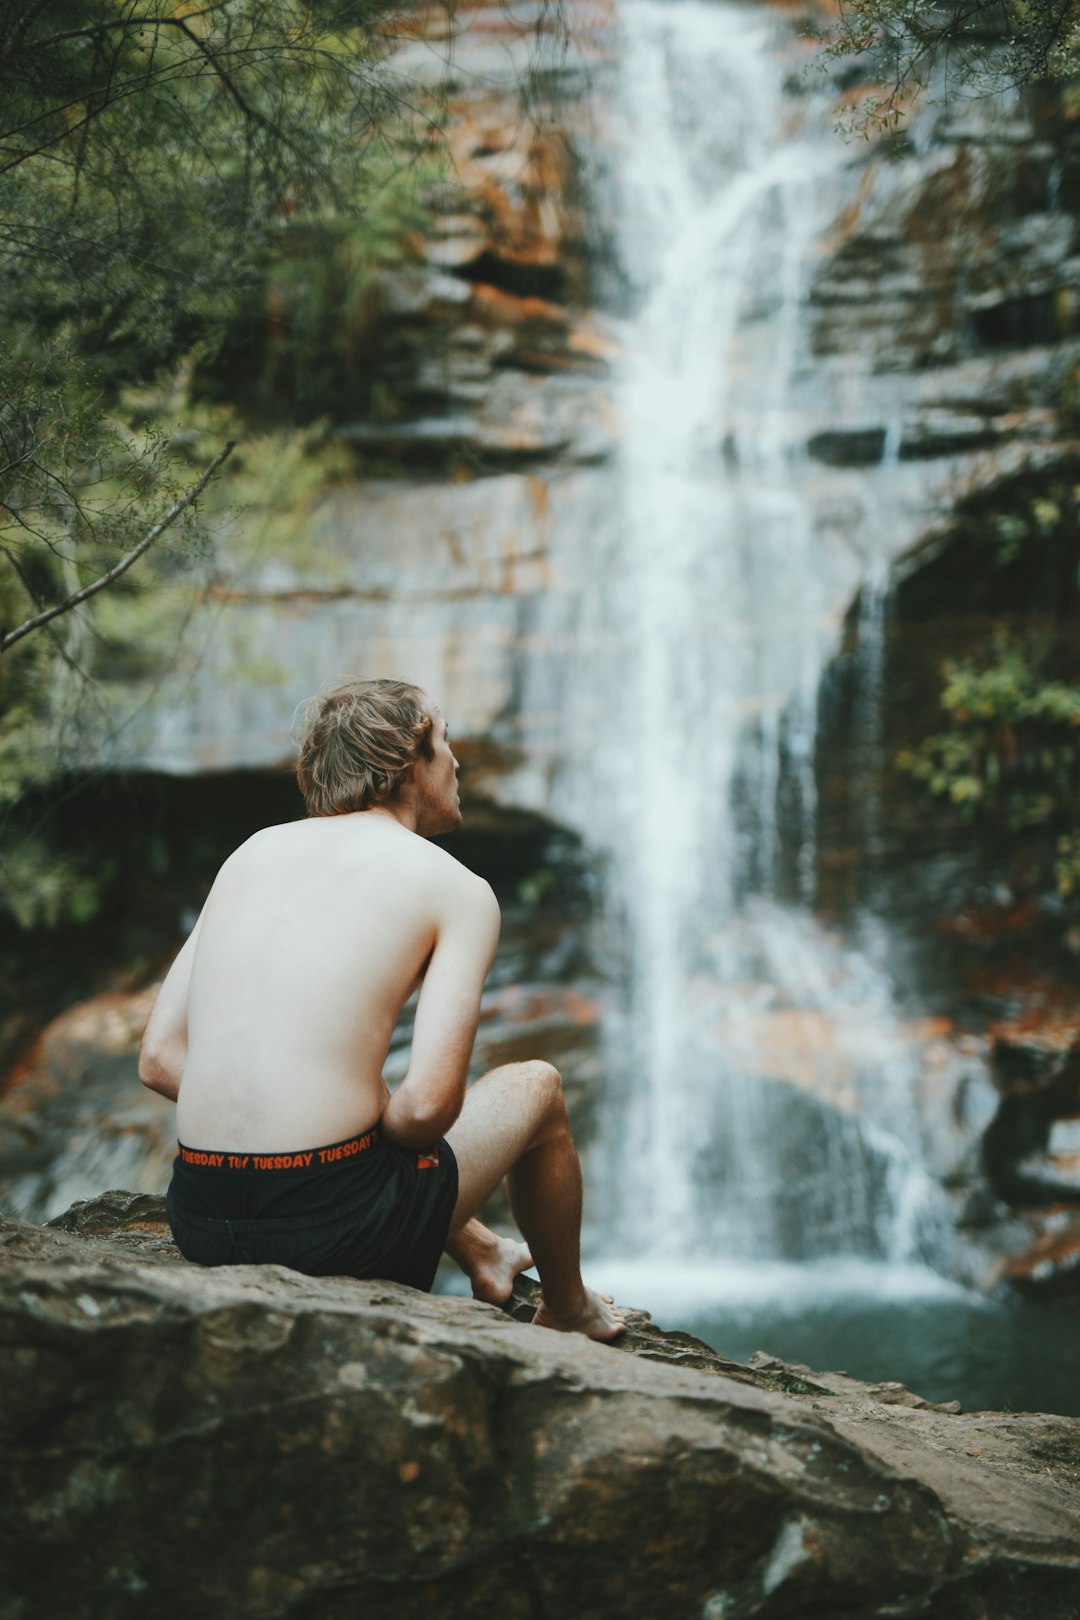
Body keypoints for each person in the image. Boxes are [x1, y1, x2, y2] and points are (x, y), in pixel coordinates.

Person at [140, 677, 624, 1342]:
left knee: (354, 1098)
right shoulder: (454, 887)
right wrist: (365, 1126)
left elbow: (161, 1059)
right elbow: (426, 1111)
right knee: (536, 1087)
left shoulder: (249, 856)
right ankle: (571, 1310)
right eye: (444, 741)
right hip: (332, 1236)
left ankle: (486, 1252)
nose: (457, 761)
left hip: (199, 1219)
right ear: (403, 764)